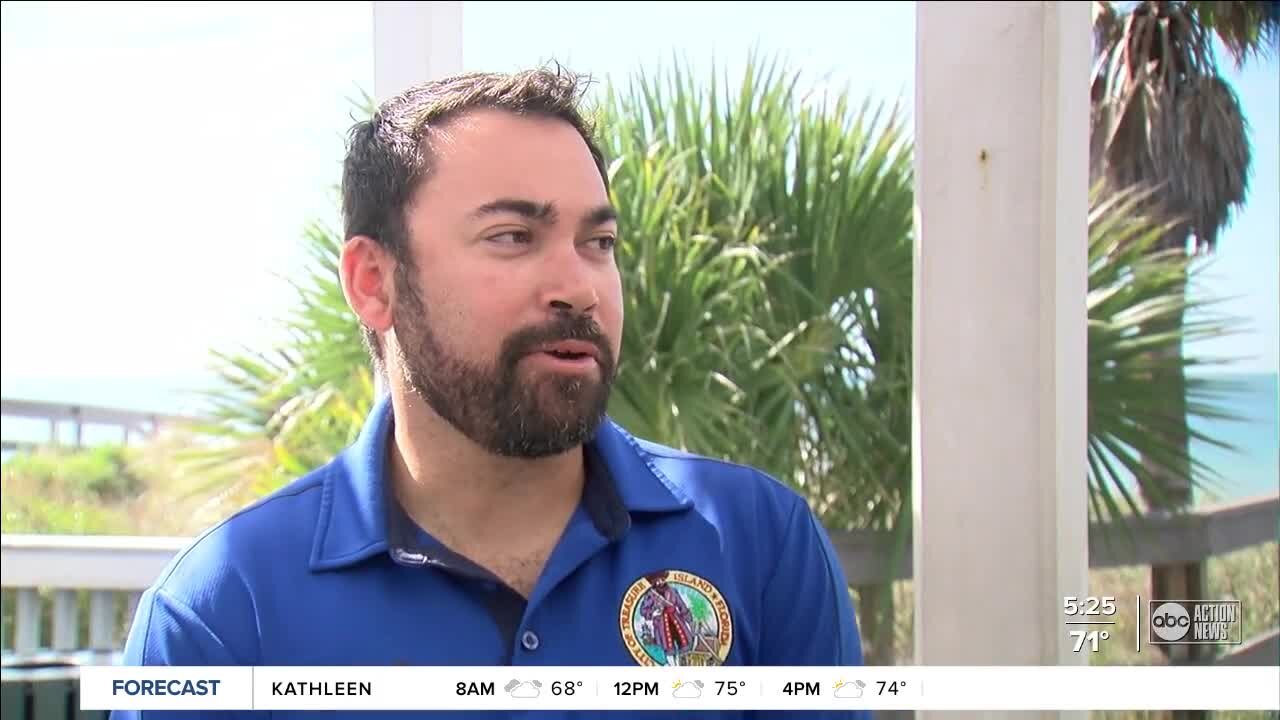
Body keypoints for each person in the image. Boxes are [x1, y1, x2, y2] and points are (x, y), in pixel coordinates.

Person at [116, 65, 867, 718]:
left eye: (598, 244)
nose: (578, 286)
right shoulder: (222, 614)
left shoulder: (759, 543)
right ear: (374, 283)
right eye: (513, 236)